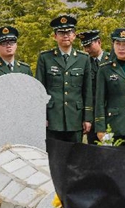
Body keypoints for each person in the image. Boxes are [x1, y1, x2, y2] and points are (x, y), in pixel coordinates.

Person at [36, 15, 93, 143]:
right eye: (61, 33)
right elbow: (40, 90)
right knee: (53, 157)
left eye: (69, 32)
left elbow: (87, 90)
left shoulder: (83, 59)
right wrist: (41, 116)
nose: (65, 36)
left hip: (75, 117)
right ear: (55, 36)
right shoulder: (45, 58)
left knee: (75, 158)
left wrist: (87, 118)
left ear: (74, 35)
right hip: (52, 118)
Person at [77, 29, 107, 145]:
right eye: (84, 47)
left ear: (99, 42)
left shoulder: (110, 60)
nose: (87, 50)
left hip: (108, 112)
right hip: (93, 114)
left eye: (89, 45)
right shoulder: (85, 63)